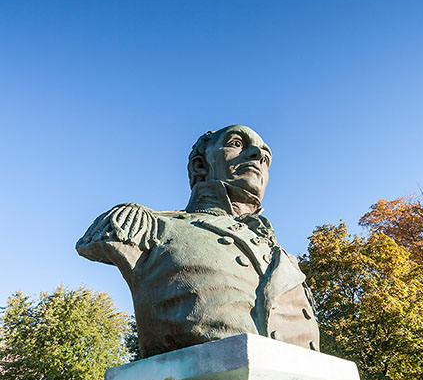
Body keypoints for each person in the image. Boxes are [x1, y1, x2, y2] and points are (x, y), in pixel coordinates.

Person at [76, 125, 319, 358]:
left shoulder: (285, 259)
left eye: (265, 158)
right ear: (200, 165)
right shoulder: (151, 226)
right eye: (237, 143)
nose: (257, 156)